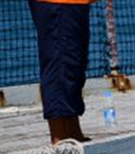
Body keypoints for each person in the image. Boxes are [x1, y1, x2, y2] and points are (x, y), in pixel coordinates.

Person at [29, 0, 97, 144]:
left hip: (74, 3)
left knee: (74, 63)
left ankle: (73, 131)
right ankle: (59, 137)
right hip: (58, 3)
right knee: (60, 62)